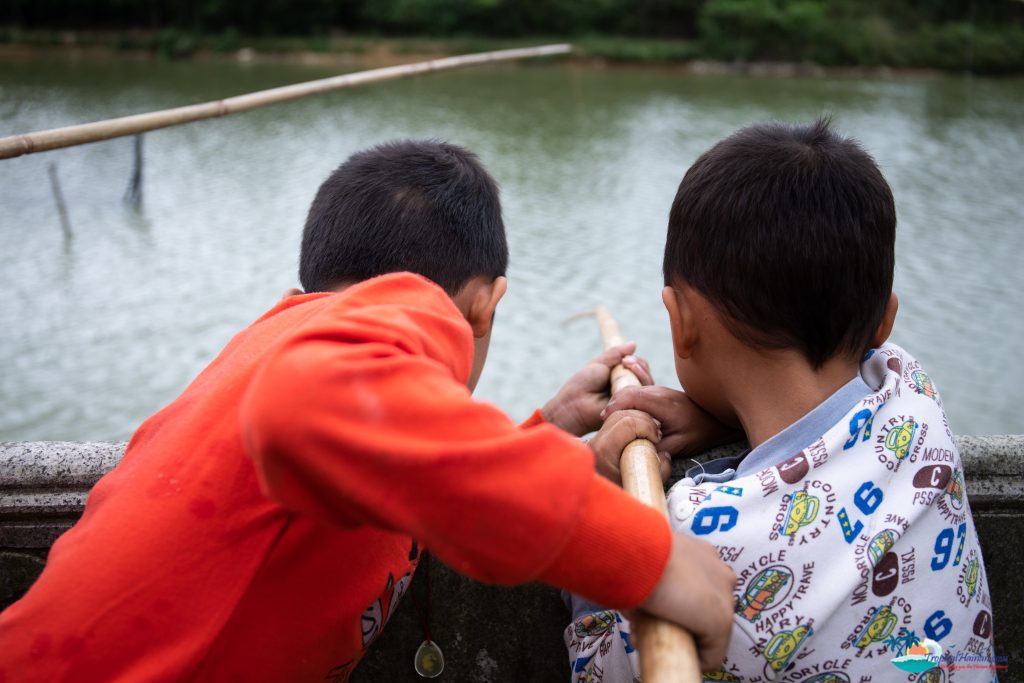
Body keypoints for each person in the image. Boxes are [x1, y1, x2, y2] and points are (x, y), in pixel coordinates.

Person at [0, 140, 735, 682]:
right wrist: (650, 558)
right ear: (486, 307)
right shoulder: (405, 307)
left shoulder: (275, 337)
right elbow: (319, 404)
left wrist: (544, 428)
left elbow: (394, 470)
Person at [565, 120, 996, 682]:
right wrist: (724, 421)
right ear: (885, 320)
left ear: (681, 324)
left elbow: (600, 663)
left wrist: (596, 494)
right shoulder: (912, 389)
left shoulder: (695, 543)